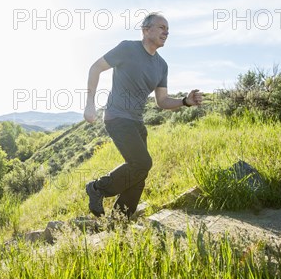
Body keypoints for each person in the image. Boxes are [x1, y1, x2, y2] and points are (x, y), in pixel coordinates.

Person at [83, 12, 203, 218]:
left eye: (168, 29)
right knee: (143, 163)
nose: (166, 32)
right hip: (117, 116)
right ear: (145, 30)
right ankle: (97, 189)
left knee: (139, 172)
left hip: (137, 121)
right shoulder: (127, 48)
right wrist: (90, 104)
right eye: (161, 27)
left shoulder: (162, 65)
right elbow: (96, 68)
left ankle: (121, 219)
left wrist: (184, 102)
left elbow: (162, 101)